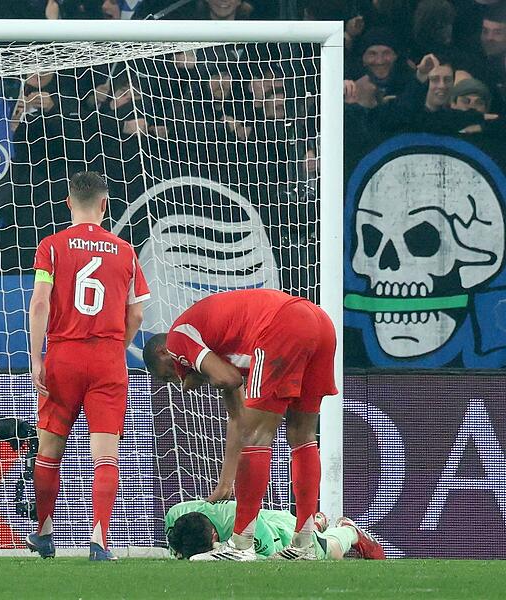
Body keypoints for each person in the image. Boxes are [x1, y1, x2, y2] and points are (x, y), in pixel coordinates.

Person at [142, 289, 337, 561]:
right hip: (319, 323)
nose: (178, 382)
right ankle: (304, 543)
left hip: (284, 324)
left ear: (163, 352)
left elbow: (229, 379)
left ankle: (241, 544)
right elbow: (238, 418)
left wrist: (195, 377)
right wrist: (225, 482)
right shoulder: (222, 344)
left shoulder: (178, 338)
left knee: (258, 437)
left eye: (168, 375)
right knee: (302, 435)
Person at [26, 171, 149, 561]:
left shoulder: (52, 246)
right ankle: (98, 540)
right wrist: (116, 347)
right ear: (104, 204)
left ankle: (44, 533)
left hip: (63, 354)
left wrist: (35, 355)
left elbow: (40, 302)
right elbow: (138, 315)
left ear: (68, 203)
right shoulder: (126, 250)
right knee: (105, 456)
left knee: (49, 451)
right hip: (108, 359)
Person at [166, 502, 386, 561]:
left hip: (278, 530)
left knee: (331, 552)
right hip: (262, 516)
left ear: (215, 535)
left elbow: (271, 559)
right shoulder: (176, 514)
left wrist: (221, 552)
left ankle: (348, 530)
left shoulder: (242, 523)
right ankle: (317, 523)